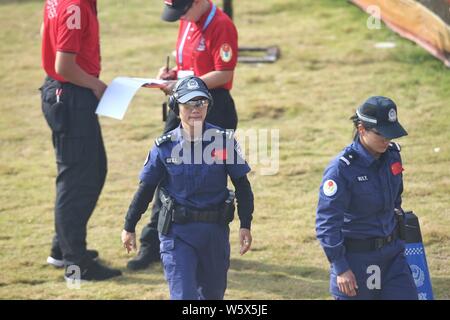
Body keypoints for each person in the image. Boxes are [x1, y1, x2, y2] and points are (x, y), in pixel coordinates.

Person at [127, 0, 240, 270]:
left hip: (212, 107)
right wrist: (172, 75)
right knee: (165, 174)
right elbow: (190, 65)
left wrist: (182, 85)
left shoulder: (222, 25)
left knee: (209, 178)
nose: (182, 18)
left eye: (183, 10)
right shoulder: (187, 20)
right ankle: (153, 242)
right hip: (183, 105)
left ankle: (208, 244)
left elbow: (224, 73)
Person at [121, 76, 254, 299]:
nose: (195, 109)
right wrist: (129, 226)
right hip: (177, 234)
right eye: (188, 104)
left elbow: (242, 185)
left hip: (215, 233)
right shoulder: (163, 148)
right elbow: (145, 190)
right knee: (184, 296)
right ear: (176, 108)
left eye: (201, 103)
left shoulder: (223, 142)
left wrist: (245, 224)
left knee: (212, 295)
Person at [40, 0, 121, 281]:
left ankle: (63, 249)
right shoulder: (75, 5)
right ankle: (76, 265)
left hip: (66, 92)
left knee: (87, 172)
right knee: (79, 179)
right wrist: (95, 84)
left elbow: (45, 30)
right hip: (71, 95)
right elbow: (64, 64)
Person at [316, 96, 418, 300]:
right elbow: (327, 224)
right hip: (357, 261)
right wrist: (341, 268)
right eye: (381, 134)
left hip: (393, 256)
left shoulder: (392, 155)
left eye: (391, 134)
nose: (387, 140)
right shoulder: (341, 169)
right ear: (361, 129)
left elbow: (396, 200)